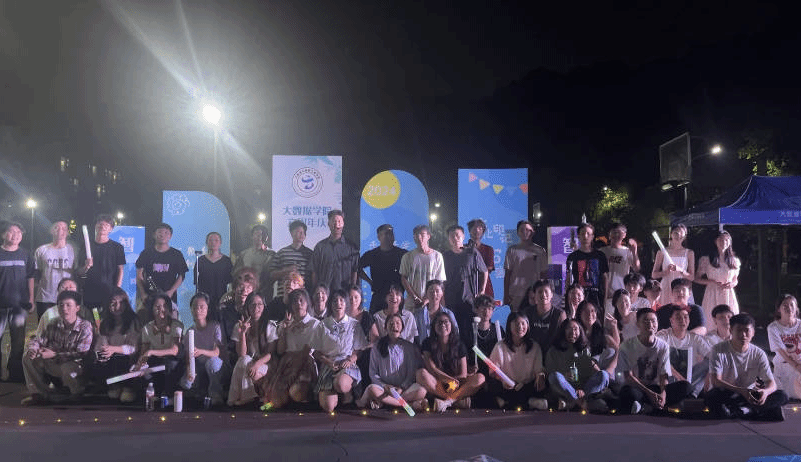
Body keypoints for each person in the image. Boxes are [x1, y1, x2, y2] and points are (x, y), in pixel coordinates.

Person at [705, 313, 789, 421]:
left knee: (782, 395)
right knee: (712, 397)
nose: (743, 334)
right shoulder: (718, 349)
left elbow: (772, 384)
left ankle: (742, 410)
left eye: (747, 330)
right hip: (728, 392)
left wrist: (765, 392)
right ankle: (753, 411)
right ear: (731, 331)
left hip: (749, 395)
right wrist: (741, 390)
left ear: (753, 332)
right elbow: (716, 381)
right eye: (739, 330)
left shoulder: (759, 354)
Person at [257, 288, 325, 409]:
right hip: (287, 362)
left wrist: (294, 370)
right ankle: (279, 400)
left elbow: (309, 350)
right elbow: (280, 351)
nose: (298, 303)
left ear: (307, 303)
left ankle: (301, 397)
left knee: (296, 393)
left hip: (304, 362)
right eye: (295, 301)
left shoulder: (315, 324)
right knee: (274, 401)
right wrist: (284, 331)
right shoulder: (286, 323)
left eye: (301, 300)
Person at [22, 290, 93, 404]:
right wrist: (33, 349)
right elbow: (38, 339)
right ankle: (39, 394)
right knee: (28, 357)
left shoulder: (85, 326)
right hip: (55, 363)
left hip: (76, 366)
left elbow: (82, 353)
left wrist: (54, 354)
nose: (64, 309)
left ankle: (76, 393)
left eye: (68, 305)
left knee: (68, 367)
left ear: (77, 308)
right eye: (61, 305)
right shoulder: (53, 323)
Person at [616, 308, 692, 414]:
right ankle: (652, 405)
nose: (650, 324)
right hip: (638, 388)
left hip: (656, 388)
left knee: (686, 386)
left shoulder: (663, 346)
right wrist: (649, 393)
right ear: (638, 324)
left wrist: (663, 394)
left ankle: (649, 405)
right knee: (627, 392)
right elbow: (628, 377)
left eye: (653, 321)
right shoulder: (627, 346)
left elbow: (663, 375)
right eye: (646, 321)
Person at [416, 312, 485, 412]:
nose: (443, 325)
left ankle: (447, 402)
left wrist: (453, 382)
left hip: (456, 384)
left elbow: (463, 374)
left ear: (451, 325)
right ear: (434, 326)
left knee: (480, 378)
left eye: (446, 322)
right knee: (420, 373)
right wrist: (448, 379)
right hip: (438, 382)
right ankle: (455, 400)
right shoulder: (427, 343)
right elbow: (431, 368)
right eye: (439, 322)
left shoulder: (459, 344)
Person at [358, 313, 427, 411]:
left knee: (422, 390)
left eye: (398, 323)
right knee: (372, 389)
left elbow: (411, 373)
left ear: (402, 327)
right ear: (385, 327)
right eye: (391, 323)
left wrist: (401, 388)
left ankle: (388, 402)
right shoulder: (377, 346)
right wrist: (384, 386)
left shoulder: (409, 347)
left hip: (402, 390)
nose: (394, 326)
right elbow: (373, 373)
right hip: (384, 389)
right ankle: (407, 405)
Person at [314, 289, 368, 412]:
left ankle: (347, 392)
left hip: (346, 363)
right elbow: (316, 352)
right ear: (330, 304)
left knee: (341, 384)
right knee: (328, 407)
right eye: (335, 301)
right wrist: (328, 362)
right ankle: (336, 395)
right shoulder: (323, 324)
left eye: (341, 300)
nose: (338, 303)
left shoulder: (354, 324)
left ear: (346, 303)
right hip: (329, 365)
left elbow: (359, 350)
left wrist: (350, 360)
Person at [546, 319, 610, 412]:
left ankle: (573, 402)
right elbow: (550, 373)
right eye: (569, 328)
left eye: (576, 329)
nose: (573, 332)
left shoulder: (585, 350)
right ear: (563, 330)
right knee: (554, 376)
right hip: (564, 388)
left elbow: (591, 374)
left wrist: (582, 390)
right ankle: (580, 402)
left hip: (584, 389)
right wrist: (565, 375)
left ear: (580, 331)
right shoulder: (553, 351)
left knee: (604, 375)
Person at [488, 312, 548, 410]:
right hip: (507, 385)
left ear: (527, 325)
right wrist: (503, 380)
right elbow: (493, 371)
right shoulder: (500, 346)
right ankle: (528, 403)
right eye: (516, 324)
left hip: (525, 386)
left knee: (539, 386)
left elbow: (538, 370)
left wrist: (540, 377)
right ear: (509, 326)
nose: (520, 327)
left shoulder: (534, 346)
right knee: (492, 385)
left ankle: (506, 403)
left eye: (523, 323)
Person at [91, 287, 141, 403]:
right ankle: (115, 386)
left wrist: (113, 349)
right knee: (97, 364)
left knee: (121, 360)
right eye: (113, 303)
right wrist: (102, 351)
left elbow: (134, 348)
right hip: (112, 360)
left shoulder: (133, 320)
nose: (117, 306)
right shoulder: (105, 322)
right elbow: (101, 343)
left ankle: (128, 387)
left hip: (129, 360)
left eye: (121, 303)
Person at [228, 292, 278, 406]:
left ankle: (238, 398)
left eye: (259, 304)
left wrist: (257, 364)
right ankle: (247, 397)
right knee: (243, 360)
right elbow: (241, 354)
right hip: (248, 362)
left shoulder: (269, 326)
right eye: (253, 304)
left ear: (264, 306)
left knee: (248, 368)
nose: (256, 307)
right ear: (247, 307)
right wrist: (243, 333)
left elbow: (270, 354)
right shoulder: (239, 326)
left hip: (265, 363)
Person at [0, 221, 35, 382]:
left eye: (19, 232)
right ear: (3, 234)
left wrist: (31, 298)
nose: (15, 235)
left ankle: (14, 373)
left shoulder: (26, 254)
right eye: (11, 231)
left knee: (18, 342)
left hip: (20, 306)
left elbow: (30, 277)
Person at [443, 225, 488, 348]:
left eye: (457, 235)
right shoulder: (445, 256)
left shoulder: (472, 253)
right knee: (453, 333)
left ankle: (470, 357)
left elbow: (484, 271)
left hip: (470, 301)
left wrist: (482, 290)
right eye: (452, 236)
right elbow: (442, 281)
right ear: (449, 239)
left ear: (463, 236)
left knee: (469, 333)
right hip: (451, 301)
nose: (455, 238)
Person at [180, 293, 227, 406]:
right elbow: (188, 358)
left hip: (216, 364)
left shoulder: (215, 326)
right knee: (186, 383)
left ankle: (216, 395)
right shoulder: (189, 332)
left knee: (212, 363)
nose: (198, 310)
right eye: (195, 307)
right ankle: (197, 393)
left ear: (207, 309)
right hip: (199, 365)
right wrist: (189, 371)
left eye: (202, 307)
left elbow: (217, 352)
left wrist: (201, 351)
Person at [656, 304, 712, 397]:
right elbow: (658, 358)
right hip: (668, 377)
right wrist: (678, 376)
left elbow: (713, 356)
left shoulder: (695, 338)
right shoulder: (663, 336)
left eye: (685, 317)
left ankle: (693, 393)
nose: (682, 320)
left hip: (690, 378)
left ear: (689, 320)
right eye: (678, 317)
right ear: (671, 321)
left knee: (710, 362)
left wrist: (709, 375)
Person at [136, 293, 184, 398]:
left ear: (169, 309)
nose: (161, 309)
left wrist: (150, 352)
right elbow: (144, 352)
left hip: (172, 362)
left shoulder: (177, 325)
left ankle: (169, 395)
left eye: (165, 306)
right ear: (152, 309)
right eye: (157, 306)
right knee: (142, 371)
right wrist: (140, 364)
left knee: (170, 364)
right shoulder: (147, 328)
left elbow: (174, 350)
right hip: (155, 361)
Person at [78, 214, 125, 316]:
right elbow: (80, 272)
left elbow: (120, 269)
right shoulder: (85, 246)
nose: (102, 226)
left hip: (109, 292)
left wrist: (117, 290)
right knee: (94, 319)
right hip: (90, 292)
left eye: (106, 225)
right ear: (95, 226)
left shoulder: (117, 247)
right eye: (100, 223)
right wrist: (86, 266)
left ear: (111, 229)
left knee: (108, 319)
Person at [136, 223, 188, 309]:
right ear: (154, 235)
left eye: (166, 233)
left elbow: (182, 275)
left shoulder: (176, 254)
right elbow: (139, 275)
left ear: (170, 236)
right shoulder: (146, 253)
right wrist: (143, 293)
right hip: (149, 295)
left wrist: (171, 291)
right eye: (160, 232)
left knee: (169, 316)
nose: (162, 235)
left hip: (169, 296)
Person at [695, 231, 741, 329]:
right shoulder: (706, 260)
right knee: (711, 320)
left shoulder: (734, 261)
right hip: (712, 293)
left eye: (726, 240)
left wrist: (732, 284)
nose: (724, 242)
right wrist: (712, 282)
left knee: (729, 320)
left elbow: (735, 280)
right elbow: (696, 278)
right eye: (721, 239)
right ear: (715, 241)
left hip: (728, 294)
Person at [358, 224, 406, 313]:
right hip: (379, 296)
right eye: (386, 234)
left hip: (397, 297)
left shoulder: (403, 254)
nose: (389, 236)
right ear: (379, 237)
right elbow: (357, 268)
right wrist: (369, 281)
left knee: (397, 320)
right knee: (374, 320)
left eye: (391, 234)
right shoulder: (372, 254)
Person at [33, 220, 77, 318]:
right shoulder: (41, 250)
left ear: (67, 232)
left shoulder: (73, 250)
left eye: (64, 228)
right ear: (51, 231)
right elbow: (37, 273)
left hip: (67, 297)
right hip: (45, 298)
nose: (60, 230)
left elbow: (77, 271)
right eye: (57, 227)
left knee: (65, 326)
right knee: (45, 326)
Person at [400, 225, 446, 311]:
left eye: (422, 234)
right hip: (412, 303)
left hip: (432, 301)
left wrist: (427, 299)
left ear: (428, 236)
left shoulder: (437, 256)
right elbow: (404, 278)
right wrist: (414, 297)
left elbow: (439, 281)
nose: (419, 237)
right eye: (416, 235)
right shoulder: (407, 256)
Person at [503, 220, 547, 310]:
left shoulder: (540, 250)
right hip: (516, 294)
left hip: (534, 293)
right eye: (522, 230)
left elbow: (544, 273)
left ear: (533, 232)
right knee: (517, 317)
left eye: (528, 230)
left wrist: (542, 292)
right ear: (518, 233)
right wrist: (506, 295)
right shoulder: (512, 250)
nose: (525, 232)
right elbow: (508, 274)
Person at [311, 210, 359, 292]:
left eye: (339, 221)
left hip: (345, 293)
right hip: (325, 294)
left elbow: (355, 271)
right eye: (334, 221)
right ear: (328, 224)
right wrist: (315, 290)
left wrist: (352, 290)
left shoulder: (351, 247)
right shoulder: (320, 246)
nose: (337, 224)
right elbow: (314, 271)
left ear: (343, 224)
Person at [566, 223, 609, 312]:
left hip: (596, 297)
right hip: (578, 297)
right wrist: (568, 298)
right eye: (582, 233)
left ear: (592, 236)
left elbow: (605, 278)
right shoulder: (573, 257)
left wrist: (605, 299)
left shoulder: (600, 256)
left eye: (588, 234)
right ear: (578, 236)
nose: (585, 236)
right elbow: (568, 279)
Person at [518, 279, 566, 355]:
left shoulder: (560, 314)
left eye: (546, 291)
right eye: (540, 292)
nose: (543, 294)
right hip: (531, 354)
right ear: (534, 294)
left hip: (552, 355)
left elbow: (564, 339)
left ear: (552, 294)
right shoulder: (527, 313)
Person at [268, 220, 313, 300]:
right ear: (291, 233)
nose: (302, 234)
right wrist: (286, 271)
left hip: (302, 298)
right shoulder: (282, 253)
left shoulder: (310, 254)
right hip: (283, 296)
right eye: (299, 232)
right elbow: (271, 275)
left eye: (303, 232)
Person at [652, 224, 695, 306]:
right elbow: (654, 275)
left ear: (685, 236)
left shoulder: (689, 253)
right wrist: (666, 272)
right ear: (671, 234)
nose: (678, 235)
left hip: (682, 287)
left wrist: (680, 270)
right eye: (676, 232)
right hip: (666, 286)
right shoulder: (661, 252)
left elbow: (692, 277)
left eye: (681, 233)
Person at [766, 294, 800, 400]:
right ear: (779, 309)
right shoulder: (773, 328)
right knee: (784, 396)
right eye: (785, 305)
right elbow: (782, 352)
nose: (789, 308)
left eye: (791, 305)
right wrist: (797, 366)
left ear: (796, 308)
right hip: (784, 366)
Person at [218, 277, 258, 364]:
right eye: (241, 286)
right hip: (229, 354)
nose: (244, 290)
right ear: (234, 289)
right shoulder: (224, 310)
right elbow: (221, 338)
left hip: (250, 354)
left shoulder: (256, 310)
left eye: (248, 287)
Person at [600, 223, 640, 304]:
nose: (616, 235)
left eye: (619, 232)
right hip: (604, 291)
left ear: (624, 235)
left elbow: (636, 268)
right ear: (609, 235)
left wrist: (634, 252)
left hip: (621, 291)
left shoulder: (627, 251)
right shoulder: (602, 251)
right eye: (613, 232)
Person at [194, 232, 233, 313]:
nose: (213, 243)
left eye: (216, 240)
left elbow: (230, 282)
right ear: (206, 243)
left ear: (220, 243)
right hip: (204, 300)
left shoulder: (226, 261)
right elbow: (197, 283)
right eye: (210, 240)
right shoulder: (200, 261)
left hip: (222, 298)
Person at [576, 300, 618, 374]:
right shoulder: (575, 332)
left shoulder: (601, 332)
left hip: (603, 371)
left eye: (592, 311)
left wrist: (610, 369)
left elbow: (617, 349)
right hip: (582, 370)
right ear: (579, 314)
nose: (589, 314)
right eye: (586, 311)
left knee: (611, 352)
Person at [413, 279, 459, 347]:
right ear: (426, 293)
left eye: (437, 291)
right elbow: (414, 337)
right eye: (431, 291)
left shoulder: (449, 314)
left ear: (442, 293)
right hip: (423, 350)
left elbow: (455, 334)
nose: (434, 294)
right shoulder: (418, 314)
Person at [233, 224, 275, 292]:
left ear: (266, 237)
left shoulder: (271, 254)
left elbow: (272, 274)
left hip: (265, 290)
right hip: (247, 290)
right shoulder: (244, 254)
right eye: (256, 234)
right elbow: (237, 272)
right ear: (252, 236)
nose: (259, 237)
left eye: (262, 235)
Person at [472, 294, 504, 376]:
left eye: (490, 309)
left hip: (495, 370)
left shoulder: (498, 329)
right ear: (476, 309)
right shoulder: (470, 330)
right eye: (483, 308)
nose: (486, 312)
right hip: (475, 371)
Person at [466, 219, 496, 302]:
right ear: (470, 230)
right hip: (467, 285)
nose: (477, 230)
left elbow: (489, 267)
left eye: (480, 228)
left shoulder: (488, 249)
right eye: (474, 228)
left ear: (483, 231)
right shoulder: (464, 248)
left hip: (484, 285)